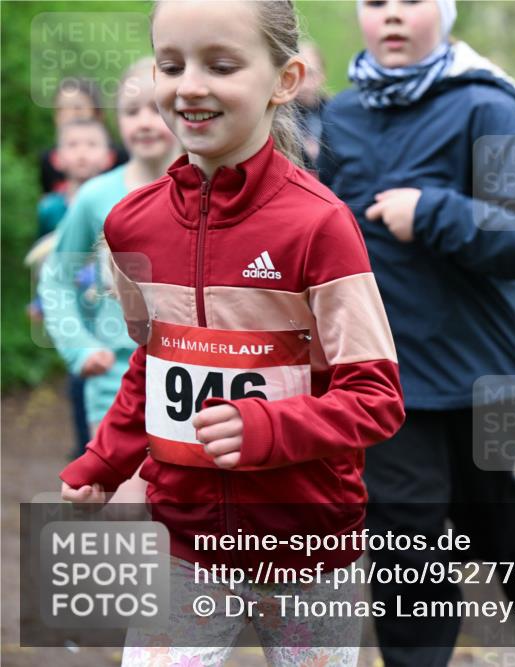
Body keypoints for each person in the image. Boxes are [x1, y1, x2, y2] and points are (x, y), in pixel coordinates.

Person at [59, 2, 405, 666]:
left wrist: (266, 427)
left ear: (286, 79)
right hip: (183, 545)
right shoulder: (132, 225)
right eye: (171, 64)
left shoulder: (319, 225)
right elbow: (153, 365)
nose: (189, 84)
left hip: (308, 547)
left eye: (221, 65)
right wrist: (107, 459)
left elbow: (376, 397)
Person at [319, 1, 515, 665]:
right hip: (382, 374)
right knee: (405, 536)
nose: (392, 16)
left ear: (445, 13)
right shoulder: (340, 117)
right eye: (376, 3)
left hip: (480, 369)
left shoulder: (485, 108)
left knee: (485, 505)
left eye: (411, 1)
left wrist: (435, 211)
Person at [39, 56, 179, 473]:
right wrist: (78, 346)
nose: (145, 122)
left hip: (191, 387)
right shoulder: (96, 197)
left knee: (181, 522)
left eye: (157, 108)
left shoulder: (210, 187)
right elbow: (56, 277)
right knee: (126, 517)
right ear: (116, 121)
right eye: (132, 111)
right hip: (113, 388)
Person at [26, 118, 116, 454]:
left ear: (107, 156)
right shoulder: (50, 208)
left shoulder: (119, 198)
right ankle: (86, 446)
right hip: (71, 303)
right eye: (73, 145)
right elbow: (44, 256)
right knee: (81, 372)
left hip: (109, 302)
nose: (82, 154)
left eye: (91, 145)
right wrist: (39, 300)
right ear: (57, 158)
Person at [39, 77, 128, 194]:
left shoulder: (120, 156)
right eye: (61, 109)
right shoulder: (48, 159)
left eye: (78, 108)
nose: (69, 115)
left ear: (98, 113)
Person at [294, 41, 329, 169]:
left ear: (322, 75)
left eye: (310, 74)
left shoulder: (335, 112)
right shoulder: (278, 116)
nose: (303, 82)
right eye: (297, 74)